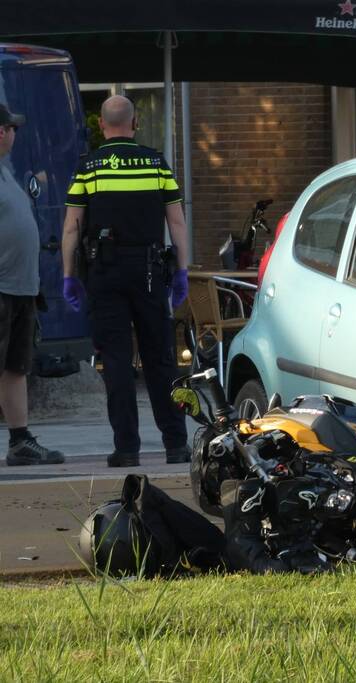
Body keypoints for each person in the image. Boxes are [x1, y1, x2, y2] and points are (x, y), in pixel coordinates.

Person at [60, 95, 190, 468]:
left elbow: (72, 226)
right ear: (134, 125)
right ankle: (176, 444)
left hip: (105, 273)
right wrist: (181, 270)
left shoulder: (90, 168)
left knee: (116, 362)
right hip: (150, 272)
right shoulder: (155, 163)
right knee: (160, 360)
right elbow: (177, 223)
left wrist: (69, 275)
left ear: (102, 126)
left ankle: (127, 448)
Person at [0, 104, 65, 466]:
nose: (15, 134)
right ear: (1, 132)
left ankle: (20, 441)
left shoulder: (6, 171)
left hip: (21, 289)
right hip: (2, 287)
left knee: (15, 367)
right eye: (12, 128)